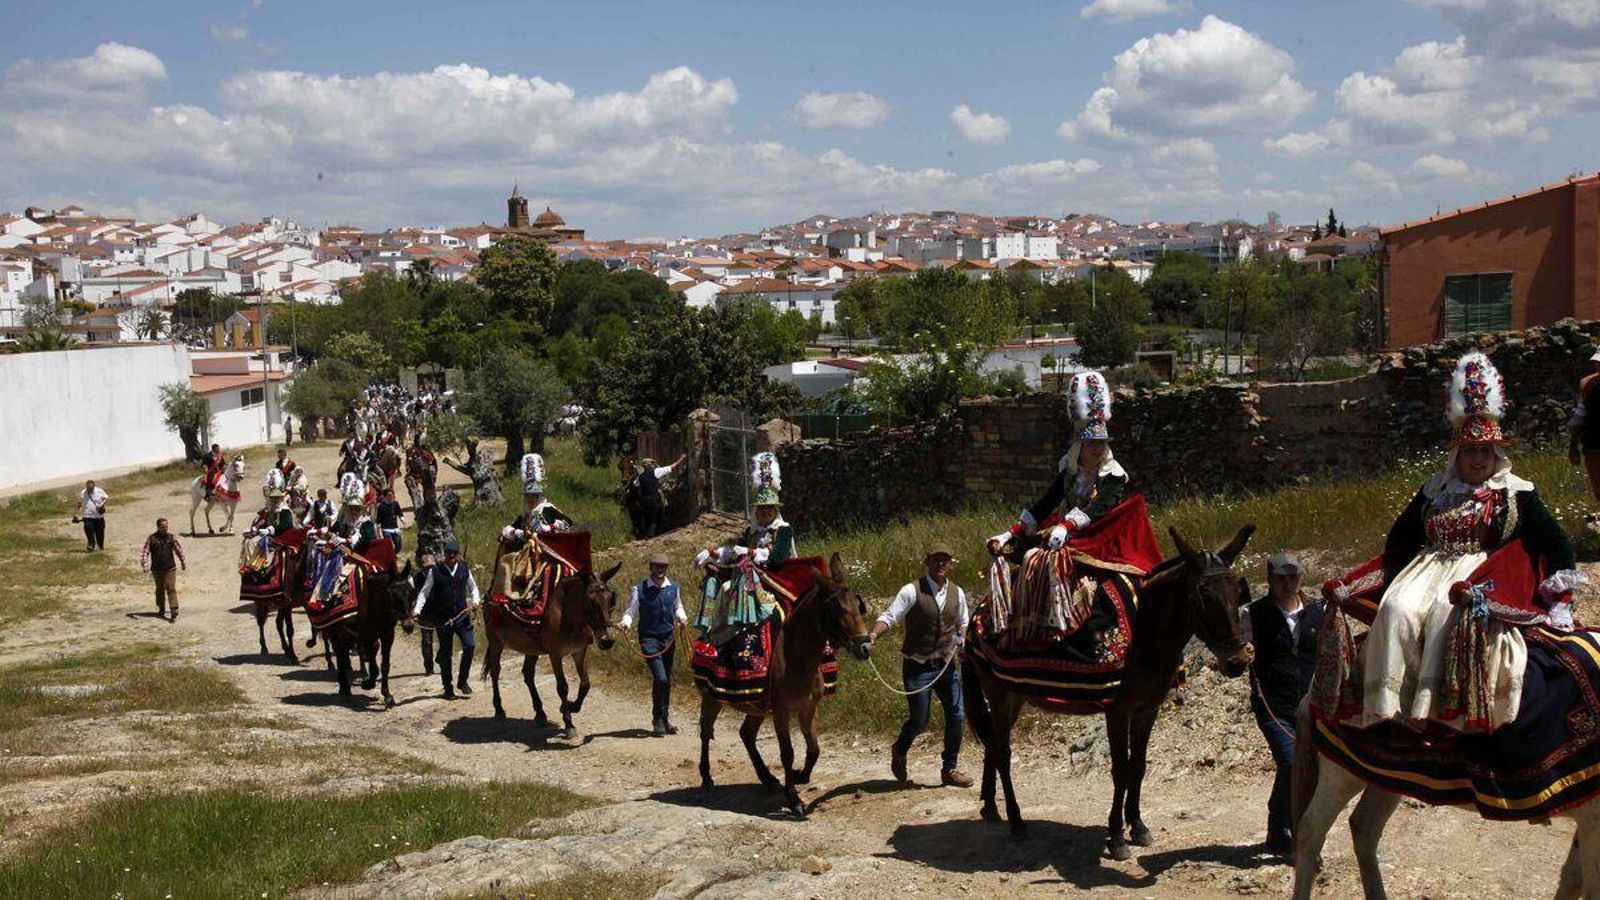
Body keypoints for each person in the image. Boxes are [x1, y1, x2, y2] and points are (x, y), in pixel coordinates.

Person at [1355, 352, 1580, 733]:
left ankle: (1442, 710)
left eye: (1485, 452)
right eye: (1471, 451)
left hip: (1475, 574)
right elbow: (1400, 536)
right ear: (1458, 454)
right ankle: (1389, 705)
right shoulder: (1434, 491)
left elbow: (1556, 541)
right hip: (1425, 569)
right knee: (1397, 610)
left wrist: (1560, 596)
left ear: (1496, 455)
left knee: (1448, 618)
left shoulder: (1514, 493)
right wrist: (1389, 580)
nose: (1478, 460)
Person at [989, 370, 1127, 555]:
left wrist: (1066, 526)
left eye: (1102, 443)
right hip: (1070, 533)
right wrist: (1010, 533)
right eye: (1092, 443)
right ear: (1079, 446)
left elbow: (1100, 506)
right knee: (1031, 558)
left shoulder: (1113, 475)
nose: (1098, 448)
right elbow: (1047, 503)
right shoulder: (1070, 472)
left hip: (1102, 537)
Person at [870, 544, 973, 788]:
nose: (940, 564)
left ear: (950, 563)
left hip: (946, 665)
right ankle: (900, 749)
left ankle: (950, 769)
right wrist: (873, 636)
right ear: (927, 562)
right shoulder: (911, 591)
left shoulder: (957, 593)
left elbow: (963, 622)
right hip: (918, 666)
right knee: (919, 720)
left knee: (957, 715)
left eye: (945, 559)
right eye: (936, 559)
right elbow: (890, 617)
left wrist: (963, 641)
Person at [1242, 553, 1323, 857]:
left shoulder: (1318, 611)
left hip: (1310, 705)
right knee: (1290, 762)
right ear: (1270, 580)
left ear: (1302, 578)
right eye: (1281, 578)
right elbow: (1240, 654)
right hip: (1272, 706)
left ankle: (1278, 830)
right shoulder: (1253, 614)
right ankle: (1294, 832)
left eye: (1294, 577)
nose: (1288, 584)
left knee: (1303, 768)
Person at [693, 452, 796, 639]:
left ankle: (729, 629)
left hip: (773, 578)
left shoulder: (783, 530)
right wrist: (712, 553)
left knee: (728, 588)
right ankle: (707, 630)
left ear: (775, 510)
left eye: (768, 508)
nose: (764, 512)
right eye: (761, 508)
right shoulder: (751, 531)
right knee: (712, 581)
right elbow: (735, 551)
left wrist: (750, 552)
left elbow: (778, 557)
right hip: (750, 575)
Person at [618, 553, 690, 735]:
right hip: (649, 640)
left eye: (663, 567)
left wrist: (682, 617)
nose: (660, 571)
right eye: (657, 567)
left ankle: (665, 719)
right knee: (661, 678)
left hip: (668, 639)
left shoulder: (673, 588)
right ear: (651, 568)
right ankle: (657, 718)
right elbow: (631, 611)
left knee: (667, 681)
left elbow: (677, 606)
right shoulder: (639, 589)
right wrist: (625, 623)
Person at [411, 539, 481, 699]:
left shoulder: (464, 569)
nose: (450, 556)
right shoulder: (435, 572)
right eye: (448, 553)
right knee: (445, 653)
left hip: (462, 616)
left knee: (470, 646)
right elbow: (424, 592)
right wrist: (416, 611)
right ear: (444, 554)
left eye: (453, 553)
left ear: (457, 555)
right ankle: (447, 686)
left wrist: (475, 601)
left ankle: (462, 681)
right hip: (443, 619)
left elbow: (473, 587)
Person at [1568, 348, 1600, 504]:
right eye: (1597, 363)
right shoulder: (1588, 385)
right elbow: (1580, 416)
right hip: (1594, 447)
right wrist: (1573, 445)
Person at [140, 517, 187, 621]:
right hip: (157, 568)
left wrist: (183, 561)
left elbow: (178, 550)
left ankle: (174, 609)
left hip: (170, 567)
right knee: (160, 588)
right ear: (158, 527)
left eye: (166, 526)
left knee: (170, 586)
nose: (165, 529)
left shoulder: (171, 538)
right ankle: (161, 606)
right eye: (163, 527)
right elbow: (145, 552)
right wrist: (145, 565)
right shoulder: (151, 539)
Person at [635, 453, 687, 539]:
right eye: (652, 464)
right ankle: (652, 535)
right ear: (650, 465)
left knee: (647, 517)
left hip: (644, 501)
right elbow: (671, 467)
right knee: (658, 515)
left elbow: (636, 485)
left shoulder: (640, 477)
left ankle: (646, 534)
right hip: (654, 500)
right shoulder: (656, 472)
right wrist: (681, 459)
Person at [74, 479, 108, 551]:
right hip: (87, 516)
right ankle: (91, 544)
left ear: (94, 486)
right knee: (88, 530)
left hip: (98, 516)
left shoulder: (99, 491)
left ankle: (100, 546)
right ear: (86, 487)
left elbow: (106, 498)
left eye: (91, 488)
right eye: (88, 488)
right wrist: (76, 514)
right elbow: (79, 504)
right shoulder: (83, 493)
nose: (89, 489)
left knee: (100, 532)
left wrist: (101, 505)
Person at [375, 487, 405, 553]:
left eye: (392, 495)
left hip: (395, 529)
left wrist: (402, 519)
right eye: (389, 495)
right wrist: (378, 529)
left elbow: (399, 512)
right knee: (389, 546)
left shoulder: (395, 504)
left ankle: (392, 556)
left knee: (398, 546)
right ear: (385, 496)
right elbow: (379, 518)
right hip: (386, 529)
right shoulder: (381, 506)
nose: (391, 497)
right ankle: (390, 557)